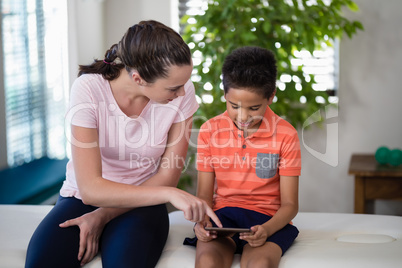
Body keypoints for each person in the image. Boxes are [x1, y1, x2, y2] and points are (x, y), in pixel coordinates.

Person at [25, 20, 221, 268]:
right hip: (81, 200)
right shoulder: (88, 90)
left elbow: (167, 177)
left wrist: (103, 215)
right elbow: (90, 189)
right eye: (174, 87)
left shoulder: (183, 94)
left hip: (144, 202)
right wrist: (172, 194)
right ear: (138, 78)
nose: (183, 93)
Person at [184, 46, 301, 268]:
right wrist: (202, 223)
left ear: (271, 96)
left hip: (269, 220)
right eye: (234, 106)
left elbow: (290, 205)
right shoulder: (210, 131)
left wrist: (267, 230)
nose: (243, 116)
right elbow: (204, 196)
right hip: (222, 218)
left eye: (254, 108)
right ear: (224, 94)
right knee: (207, 262)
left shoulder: (286, 134)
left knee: (260, 264)